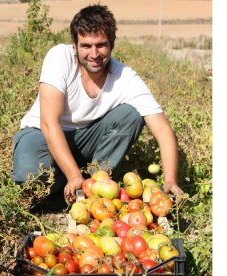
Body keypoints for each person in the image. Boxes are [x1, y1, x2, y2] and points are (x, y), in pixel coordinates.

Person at [12, 4, 183, 210]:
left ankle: (95, 186)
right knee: (30, 176)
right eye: (86, 46)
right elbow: (49, 123)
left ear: (112, 44)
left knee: (130, 114)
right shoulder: (60, 57)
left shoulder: (125, 77)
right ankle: (66, 185)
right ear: (74, 45)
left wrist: (171, 180)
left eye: (101, 45)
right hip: (41, 134)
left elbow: (163, 130)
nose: (94, 54)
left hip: (86, 139)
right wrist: (73, 174)